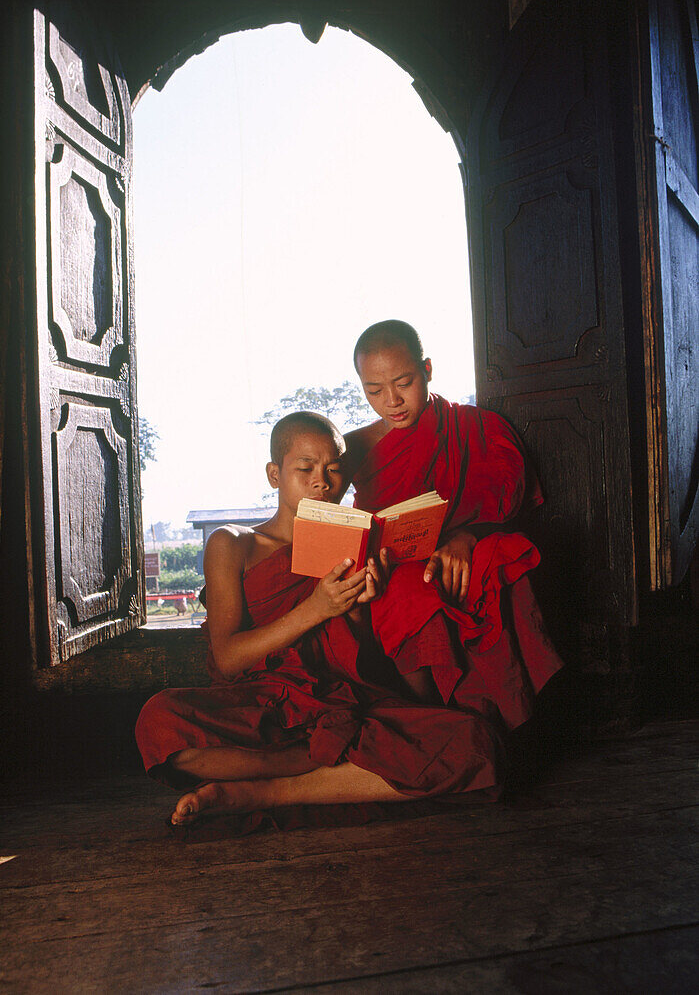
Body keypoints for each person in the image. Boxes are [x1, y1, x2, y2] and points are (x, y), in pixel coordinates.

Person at [135, 411, 504, 828]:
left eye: (333, 469)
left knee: (476, 745)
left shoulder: (357, 544)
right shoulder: (233, 543)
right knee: (158, 722)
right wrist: (315, 609)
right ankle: (332, 767)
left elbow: (360, 660)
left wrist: (367, 603)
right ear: (274, 474)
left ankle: (266, 790)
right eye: (305, 468)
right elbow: (228, 659)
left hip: (344, 701)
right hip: (264, 709)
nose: (321, 482)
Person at [343, 319, 562, 724]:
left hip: (462, 550)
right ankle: (435, 722)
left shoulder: (474, 427)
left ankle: (484, 719)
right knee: (409, 590)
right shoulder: (355, 447)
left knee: (497, 564)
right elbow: (329, 518)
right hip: (390, 565)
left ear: (427, 370)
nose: (392, 400)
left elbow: (510, 506)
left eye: (404, 382)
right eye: (374, 391)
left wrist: (466, 537)